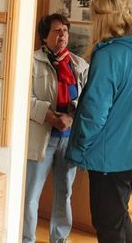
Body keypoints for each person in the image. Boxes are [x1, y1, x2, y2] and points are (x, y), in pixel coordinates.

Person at [66, 0, 132, 242]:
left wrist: (80, 146)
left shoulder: (109, 54)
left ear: (100, 18)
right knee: (119, 217)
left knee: (107, 224)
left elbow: (94, 112)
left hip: (110, 156)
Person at [23, 13, 89, 243]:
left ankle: (59, 239)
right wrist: (50, 116)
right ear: (44, 37)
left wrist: (71, 114)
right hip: (42, 138)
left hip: (69, 139)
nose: (62, 35)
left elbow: (89, 98)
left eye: (65, 30)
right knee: (30, 195)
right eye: (56, 30)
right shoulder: (31, 61)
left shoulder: (78, 64)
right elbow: (23, 97)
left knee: (64, 194)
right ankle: (26, 239)